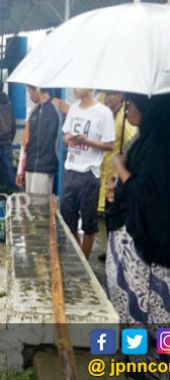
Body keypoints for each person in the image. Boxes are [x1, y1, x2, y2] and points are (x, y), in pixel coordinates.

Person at [105, 93, 170, 331]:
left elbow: (150, 195)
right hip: (130, 254)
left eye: (131, 103)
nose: (128, 108)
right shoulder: (144, 140)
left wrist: (121, 169)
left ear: (148, 106)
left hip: (150, 260)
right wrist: (117, 190)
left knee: (151, 318)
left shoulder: (161, 146)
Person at [61, 88, 115, 258]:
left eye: (79, 84)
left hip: (89, 173)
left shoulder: (103, 113)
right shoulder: (73, 109)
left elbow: (110, 145)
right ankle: (80, 259)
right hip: (70, 169)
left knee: (89, 224)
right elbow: (65, 138)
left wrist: (87, 141)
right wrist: (69, 139)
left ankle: (84, 264)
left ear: (90, 86)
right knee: (67, 220)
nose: (75, 88)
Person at [97, 91, 138, 215]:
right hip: (102, 181)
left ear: (120, 97)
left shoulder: (125, 120)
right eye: (105, 95)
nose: (106, 99)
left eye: (110, 95)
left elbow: (131, 148)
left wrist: (118, 170)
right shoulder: (109, 114)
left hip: (114, 185)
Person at [16, 86, 61, 194]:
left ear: (37, 89)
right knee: (32, 206)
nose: (30, 96)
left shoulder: (57, 106)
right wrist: (20, 170)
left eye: (30, 92)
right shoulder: (33, 111)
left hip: (46, 166)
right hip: (31, 166)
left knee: (39, 207)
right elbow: (25, 142)